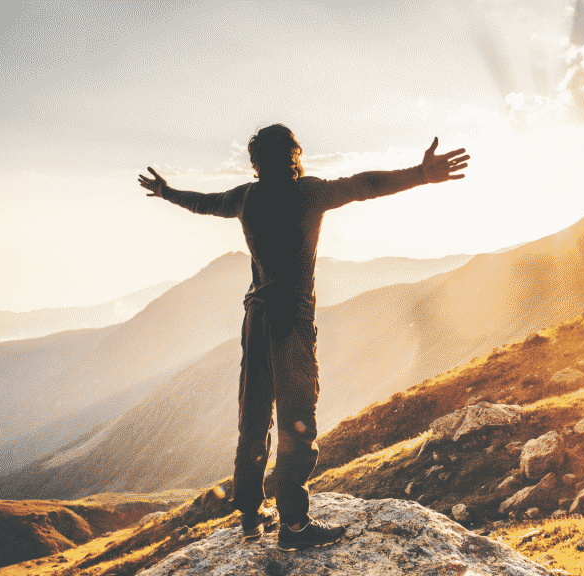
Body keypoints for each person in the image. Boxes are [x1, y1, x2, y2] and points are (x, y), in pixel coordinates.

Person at [139, 124, 468, 551]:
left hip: (254, 319)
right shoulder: (308, 193)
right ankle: (294, 527)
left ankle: (250, 518)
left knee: (254, 414)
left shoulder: (245, 197)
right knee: (297, 417)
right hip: (288, 322)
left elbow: (204, 203)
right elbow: (365, 185)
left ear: (256, 163)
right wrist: (421, 175)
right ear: (294, 155)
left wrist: (166, 192)